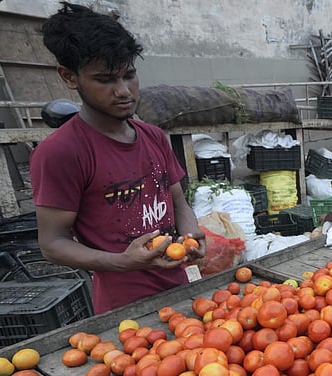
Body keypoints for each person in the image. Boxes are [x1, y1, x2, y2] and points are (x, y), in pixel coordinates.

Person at [30, 2, 205, 314]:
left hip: (182, 292)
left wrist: (192, 234)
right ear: (70, 77)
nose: (124, 91)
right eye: (105, 79)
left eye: (129, 75)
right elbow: (52, 244)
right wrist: (120, 262)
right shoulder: (62, 152)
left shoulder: (153, 136)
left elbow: (178, 203)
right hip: (124, 311)